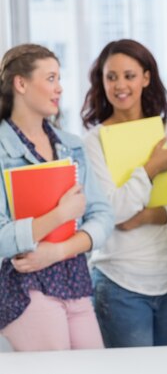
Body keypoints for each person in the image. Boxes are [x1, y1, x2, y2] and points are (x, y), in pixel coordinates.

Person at [81, 39, 167, 347]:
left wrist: (149, 215)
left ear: (145, 78)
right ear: (100, 81)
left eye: (129, 75)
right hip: (118, 284)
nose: (120, 85)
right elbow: (114, 213)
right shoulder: (93, 142)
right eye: (111, 77)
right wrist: (149, 169)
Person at [0, 43, 113, 351]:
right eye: (50, 78)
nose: (59, 88)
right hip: (26, 287)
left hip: (74, 279)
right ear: (21, 84)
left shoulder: (72, 146)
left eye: (59, 79)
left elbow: (103, 216)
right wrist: (61, 215)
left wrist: (58, 251)